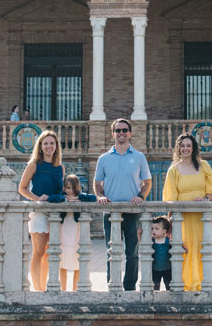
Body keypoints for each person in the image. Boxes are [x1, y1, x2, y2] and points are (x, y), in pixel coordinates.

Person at [162, 133, 212, 291]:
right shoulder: (173, 170)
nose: (185, 148)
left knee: (203, 248)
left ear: (193, 148)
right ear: (178, 148)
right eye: (182, 146)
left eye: (188, 145)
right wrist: (171, 225)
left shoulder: (203, 165)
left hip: (201, 217)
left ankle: (206, 282)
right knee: (186, 248)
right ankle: (189, 285)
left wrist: (206, 200)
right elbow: (170, 199)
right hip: (183, 219)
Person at [93, 118, 152, 291]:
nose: (121, 133)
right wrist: (101, 196)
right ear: (113, 133)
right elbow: (97, 183)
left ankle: (129, 286)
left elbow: (147, 182)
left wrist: (141, 196)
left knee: (132, 253)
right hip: (111, 212)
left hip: (133, 212)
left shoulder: (139, 157)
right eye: (118, 130)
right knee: (112, 252)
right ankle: (114, 285)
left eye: (124, 130)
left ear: (130, 133)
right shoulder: (103, 159)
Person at [17, 129, 65, 291]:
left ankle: (45, 286)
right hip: (39, 212)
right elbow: (22, 188)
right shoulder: (33, 165)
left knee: (49, 252)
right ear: (40, 146)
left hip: (56, 214)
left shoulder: (60, 168)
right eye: (45, 143)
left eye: (52, 143)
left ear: (56, 146)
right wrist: (37, 198)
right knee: (38, 251)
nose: (49, 146)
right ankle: (37, 289)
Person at [58, 174, 96, 291]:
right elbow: (51, 198)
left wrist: (77, 199)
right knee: (62, 262)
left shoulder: (81, 196)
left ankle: (75, 290)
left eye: (73, 188)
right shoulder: (61, 196)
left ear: (77, 187)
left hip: (76, 232)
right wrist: (65, 199)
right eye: (67, 188)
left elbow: (93, 198)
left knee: (77, 263)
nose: (70, 191)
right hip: (64, 230)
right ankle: (63, 290)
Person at [151, 215, 173, 290]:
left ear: (164, 230)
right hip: (155, 268)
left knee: (169, 285)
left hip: (167, 268)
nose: (153, 231)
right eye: (152, 228)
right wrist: (139, 234)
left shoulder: (168, 241)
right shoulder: (152, 241)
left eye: (156, 229)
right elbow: (142, 246)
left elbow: (177, 246)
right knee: (155, 286)